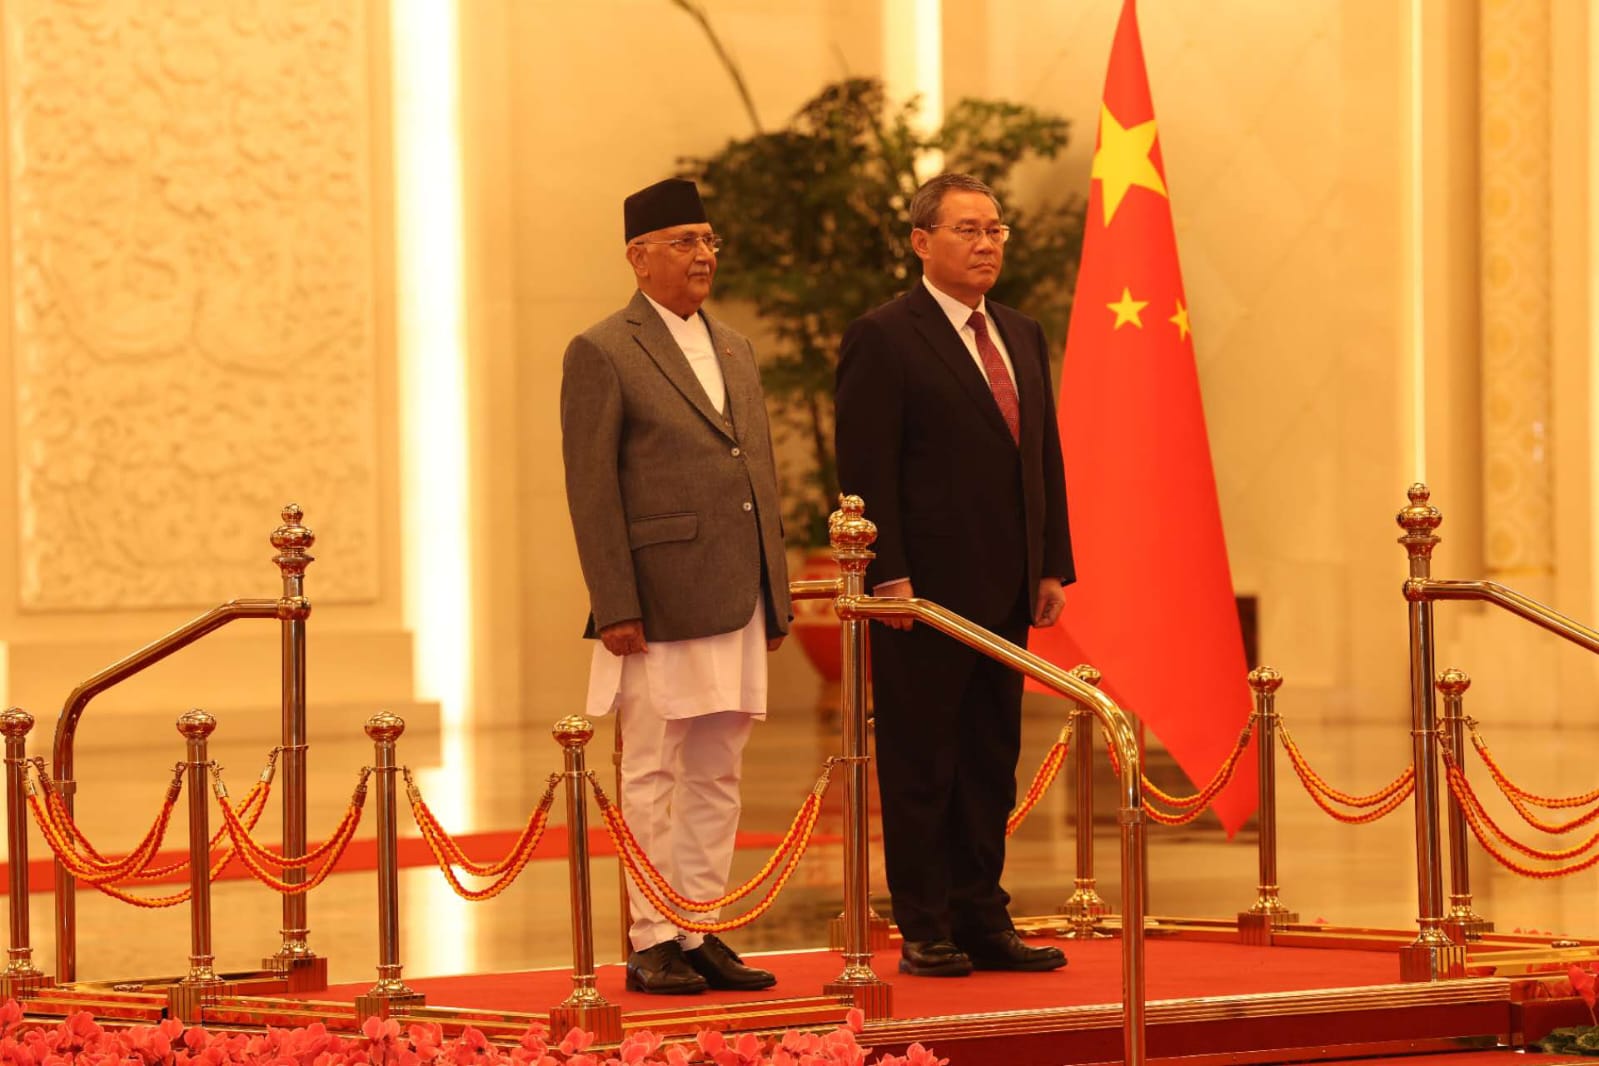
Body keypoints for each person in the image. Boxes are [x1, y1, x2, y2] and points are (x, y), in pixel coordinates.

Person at [834, 172, 1074, 978]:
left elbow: (1040, 456)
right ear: (920, 242)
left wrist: (1050, 564)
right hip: (922, 597)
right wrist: (888, 577)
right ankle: (924, 925)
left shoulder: (1019, 332)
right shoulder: (884, 336)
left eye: (995, 230)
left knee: (988, 760)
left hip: (1006, 589)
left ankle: (982, 916)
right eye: (967, 230)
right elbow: (865, 468)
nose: (985, 244)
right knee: (921, 763)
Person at [560, 177, 791, 995]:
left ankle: (699, 926)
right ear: (639, 256)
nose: (703, 256)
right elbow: (591, 490)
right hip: (657, 597)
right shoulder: (603, 349)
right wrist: (615, 602)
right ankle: (651, 936)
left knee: (718, 768)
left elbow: (756, 471)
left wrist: (774, 593)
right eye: (685, 241)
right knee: (653, 769)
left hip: (738, 592)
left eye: (708, 241)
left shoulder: (735, 347)